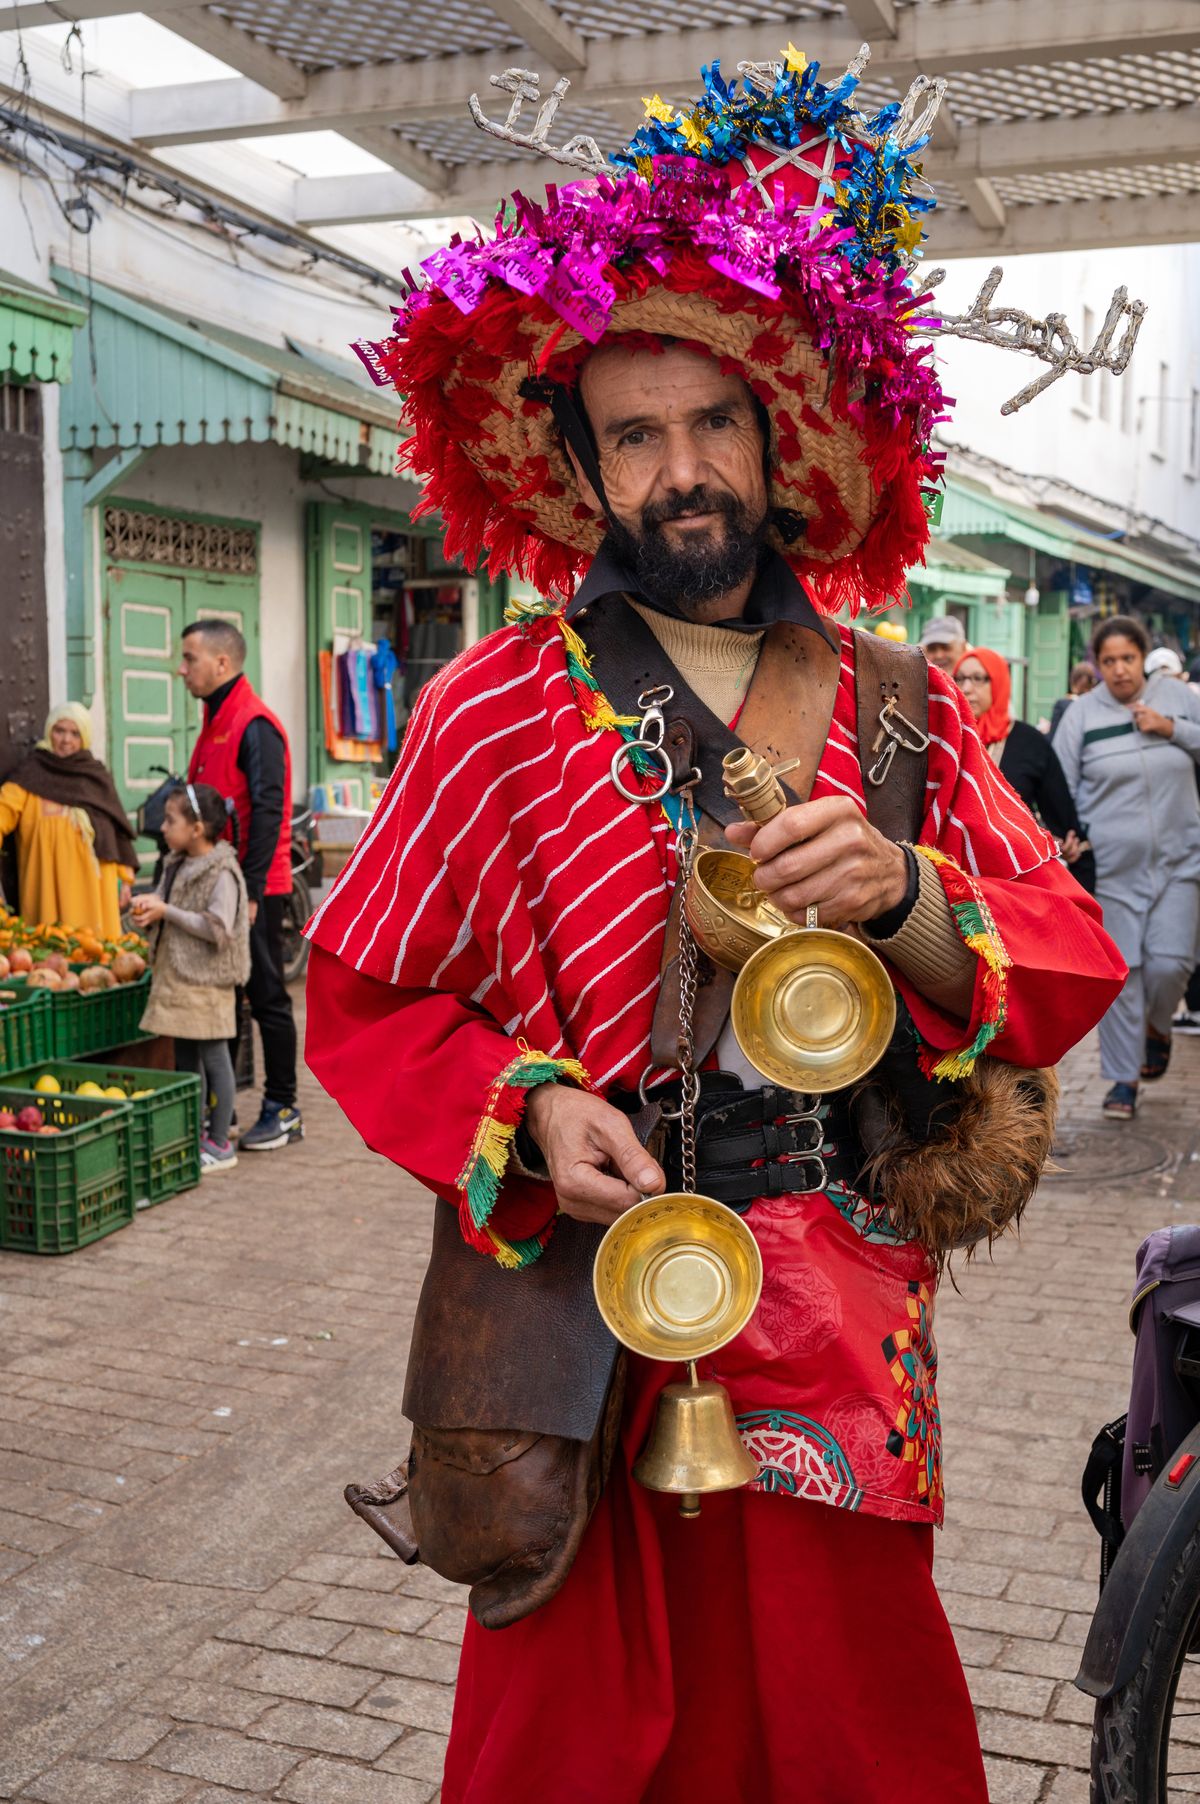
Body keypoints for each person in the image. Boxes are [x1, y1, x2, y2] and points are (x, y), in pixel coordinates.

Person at [306, 52, 1125, 1804]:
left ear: (781, 436)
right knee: (571, 1750)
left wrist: (908, 898)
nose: (682, 469)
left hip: (837, 1309)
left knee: (854, 1740)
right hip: (581, 1302)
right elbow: (365, 989)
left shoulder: (902, 707)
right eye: (636, 434)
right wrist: (522, 1105)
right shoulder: (492, 708)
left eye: (714, 422)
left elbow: (1068, 962)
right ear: (585, 471)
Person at [1054, 615, 1200, 1119]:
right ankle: (1122, 1079)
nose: (1119, 670)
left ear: (1144, 657)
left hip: (1182, 861)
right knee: (1126, 974)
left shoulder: (1179, 698)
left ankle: (1158, 1027)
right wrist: (1064, 838)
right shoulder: (1082, 716)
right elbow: (1062, 785)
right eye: (1109, 661)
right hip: (1112, 870)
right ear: (1098, 666)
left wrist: (1171, 729)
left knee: (1171, 963)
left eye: (1128, 659)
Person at [179, 620, 302, 1151]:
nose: (181, 669)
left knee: (267, 995)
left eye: (190, 658)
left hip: (255, 889)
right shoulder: (213, 721)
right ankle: (222, 1112)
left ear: (222, 663)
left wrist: (251, 891)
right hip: (218, 884)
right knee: (226, 997)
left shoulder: (254, 725)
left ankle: (284, 1107)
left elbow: (269, 809)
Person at [131, 782, 251, 1173]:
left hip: (208, 982)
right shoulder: (176, 861)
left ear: (197, 829)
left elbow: (218, 929)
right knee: (184, 1056)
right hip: (179, 977)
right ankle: (192, 1131)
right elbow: (165, 900)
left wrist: (165, 911)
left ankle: (220, 1142)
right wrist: (148, 909)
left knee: (215, 1057)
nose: (162, 828)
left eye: (170, 820)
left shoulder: (223, 871)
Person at [953, 646, 1094, 891]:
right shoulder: (945, 737)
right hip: (948, 878)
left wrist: (1067, 848)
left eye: (978, 678)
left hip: (1012, 884)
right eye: (960, 678)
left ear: (998, 682)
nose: (966, 688)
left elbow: (1064, 821)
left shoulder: (1028, 743)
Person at [0, 703, 137, 937]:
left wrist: (125, 880)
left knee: (97, 958)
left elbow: (116, 828)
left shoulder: (95, 776)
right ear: (48, 731)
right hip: (47, 893)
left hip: (96, 894)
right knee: (52, 959)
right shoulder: (30, 775)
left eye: (75, 733)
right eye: (59, 730)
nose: (66, 740)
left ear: (84, 737)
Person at [1049, 660, 1096, 739]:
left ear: (1073, 680)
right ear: (1092, 682)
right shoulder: (1098, 705)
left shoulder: (1062, 705)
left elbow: (1053, 737)